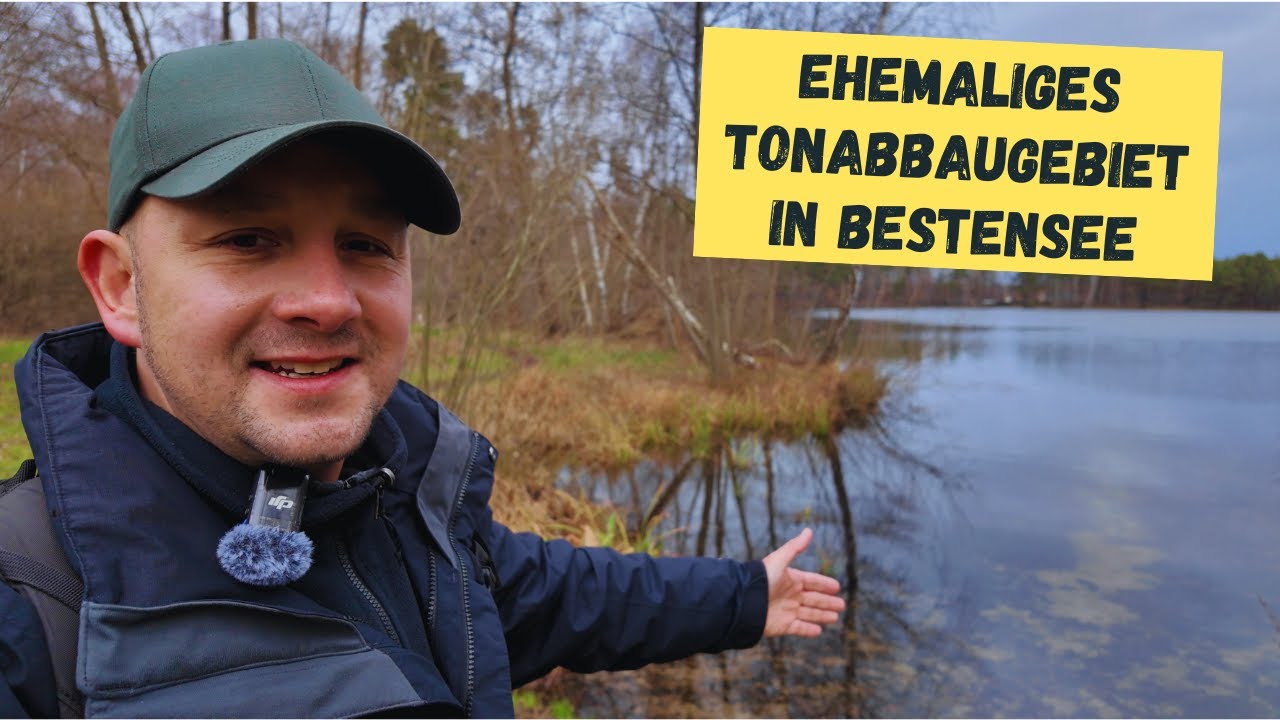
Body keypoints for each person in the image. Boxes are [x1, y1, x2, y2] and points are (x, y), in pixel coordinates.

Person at [0, 38, 844, 718]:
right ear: (120, 286)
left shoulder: (404, 495)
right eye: (248, 239)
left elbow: (557, 597)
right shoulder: (31, 614)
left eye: (366, 246)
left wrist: (742, 596)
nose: (327, 303)